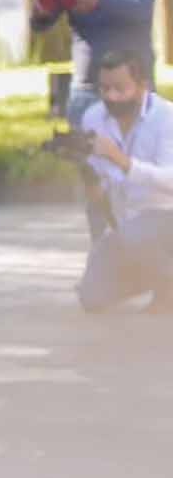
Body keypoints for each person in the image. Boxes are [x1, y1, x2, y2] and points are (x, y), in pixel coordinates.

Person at [33, 0, 158, 126]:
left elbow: (140, 9)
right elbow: (40, 24)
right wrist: (40, 13)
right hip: (88, 89)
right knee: (85, 154)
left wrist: (98, 0)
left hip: (135, 87)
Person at [74, 49, 173, 312]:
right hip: (125, 227)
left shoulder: (167, 118)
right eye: (104, 88)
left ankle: (167, 287)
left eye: (119, 88)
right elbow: (99, 191)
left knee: (136, 233)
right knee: (92, 297)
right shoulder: (93, 117)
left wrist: (121, 160)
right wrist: (85, 172)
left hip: (166, 220)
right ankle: (159, 278)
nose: (110, 97)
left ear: (143, 86)